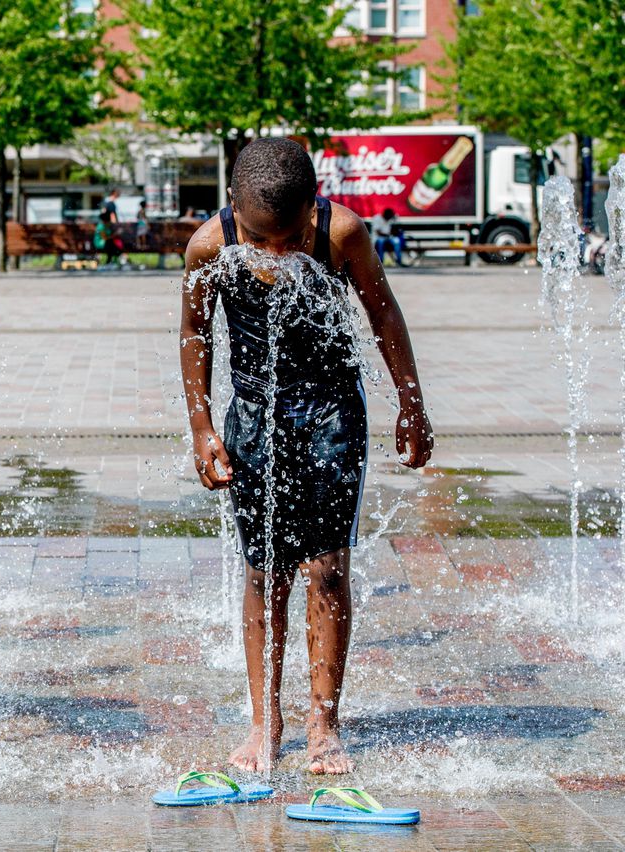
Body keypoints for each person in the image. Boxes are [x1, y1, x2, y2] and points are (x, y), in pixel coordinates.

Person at [178, 138, 432, 775]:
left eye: (290, 238)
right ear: (233, 208)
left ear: (313, 209)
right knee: (264, 572)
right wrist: (203, 427)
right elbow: (193, 331)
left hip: (330, 414)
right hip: (253, 419)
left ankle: (323, 724)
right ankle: (266, 722)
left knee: (326, 569)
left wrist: (412, 404)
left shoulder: (342, 234)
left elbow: (384, 315)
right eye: (260, 241)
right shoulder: (209, 246)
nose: (275, 254)